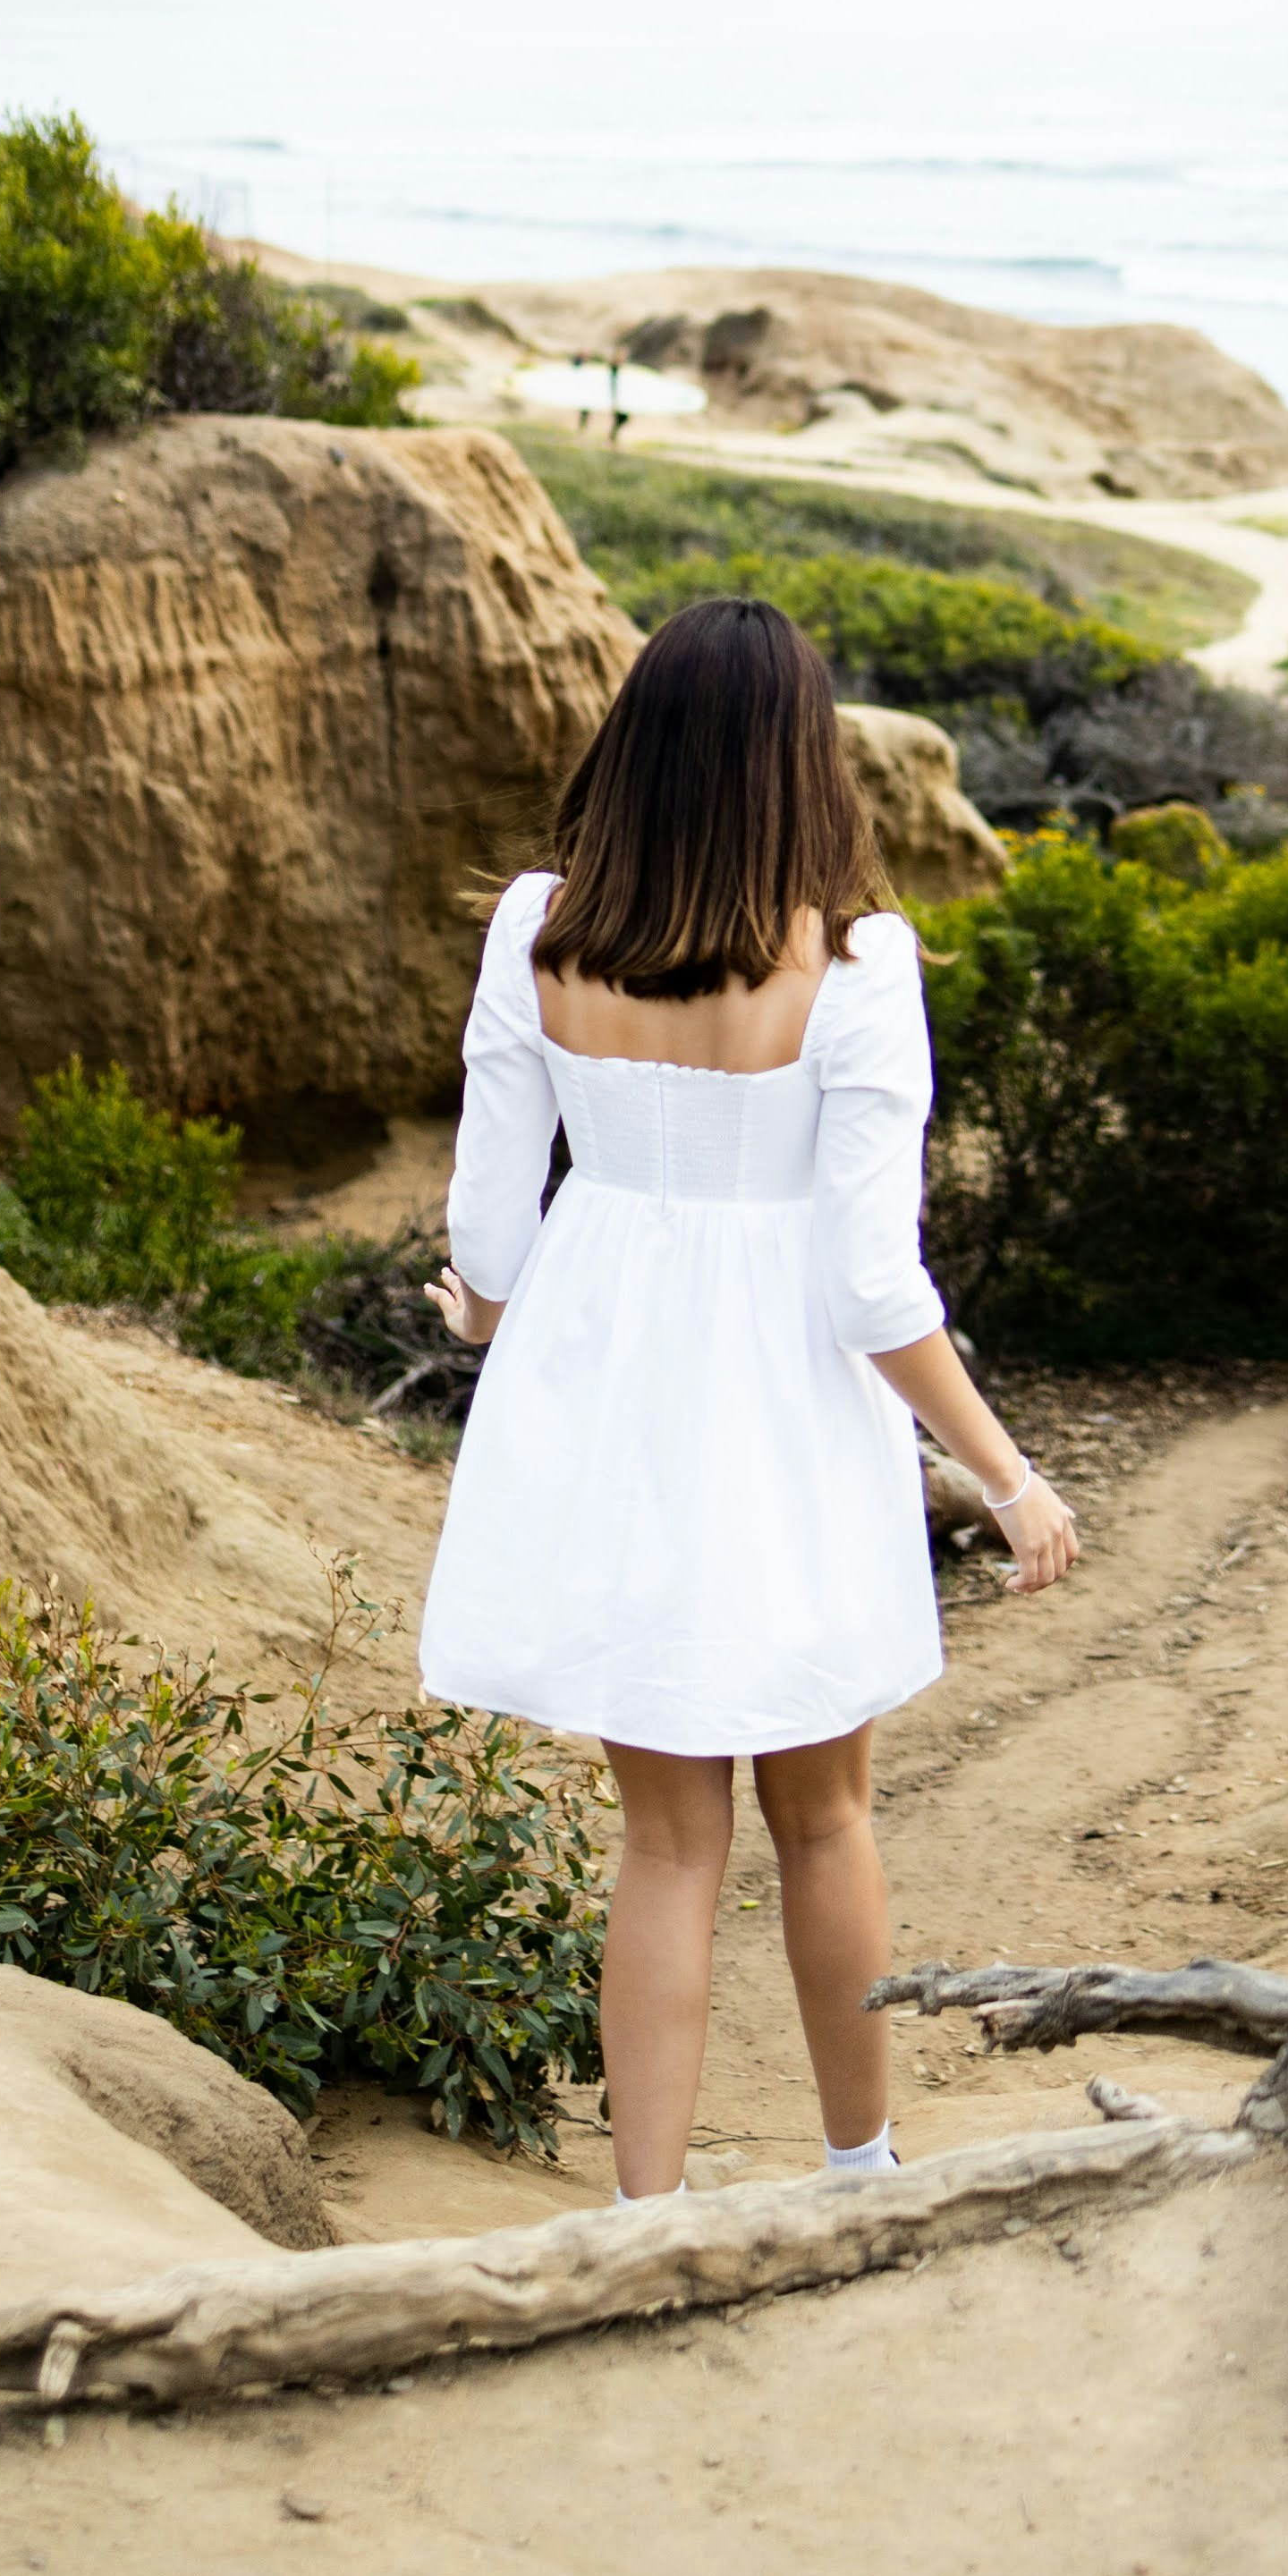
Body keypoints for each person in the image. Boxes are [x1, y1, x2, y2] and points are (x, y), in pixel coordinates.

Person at [418, 595, 1079, 2203]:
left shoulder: (535, 930)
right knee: (827, 1812)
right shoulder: (854, 969)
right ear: (801, 764)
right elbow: (869, 1283)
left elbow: (490, 1223)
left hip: (612, 1398)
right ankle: (860, 2166)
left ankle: (645, 2211)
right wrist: (1002, 1472)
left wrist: (494, 1310)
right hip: (780, 1407)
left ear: (633, 743)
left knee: (662, 1841)